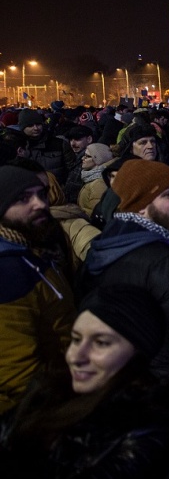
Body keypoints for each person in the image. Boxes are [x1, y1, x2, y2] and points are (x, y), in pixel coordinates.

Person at [0, 285, 169, 477]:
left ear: (138, 354)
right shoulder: (47, 394)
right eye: (76, 339)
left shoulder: (146, 430)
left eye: (101, 343)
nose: (76, 357)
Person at [77, 159, 169, 379]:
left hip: (116, 375)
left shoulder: (103, 245)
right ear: (140, 206)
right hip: (164, 379)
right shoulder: (163, 261)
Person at [0, 166, 77, 414]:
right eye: (23, 198)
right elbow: (16, 371)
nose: (39, 204)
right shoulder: (7, 271)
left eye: (41, 194)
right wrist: (57, 414)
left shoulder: (29, 249)